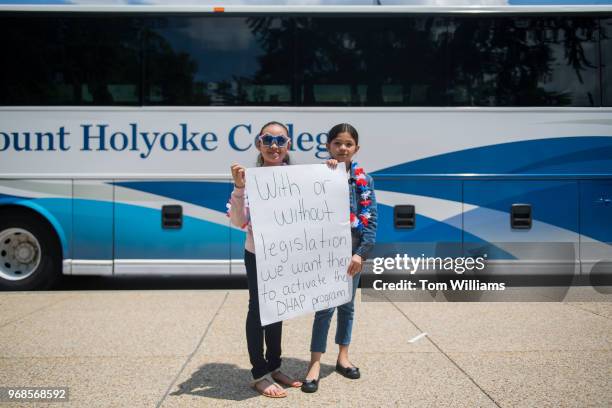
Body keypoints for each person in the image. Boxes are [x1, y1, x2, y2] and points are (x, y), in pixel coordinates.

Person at [301, 123, 377, 393]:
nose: (343, 148)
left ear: (356, 148)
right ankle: (314, 363)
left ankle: (343, 356)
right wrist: (326, 174)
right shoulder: (320, 175)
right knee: (324, 309)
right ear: (328, 147)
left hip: (353, 254)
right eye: (337, 143)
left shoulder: (364, 180)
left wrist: (361, 254)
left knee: (347, 307)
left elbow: (371, 221)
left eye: (348, 144)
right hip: (327, 252)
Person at [228, 121, 302, 398]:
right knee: (258, 310)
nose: (274, 145)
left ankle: (274, 365)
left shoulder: (300, 177)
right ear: (259, 144)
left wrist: (331, 168)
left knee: (278, 309)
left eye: (280, 140)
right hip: (258, 255)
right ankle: (260, 373)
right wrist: (239, 188)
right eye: (267, 139)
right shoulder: (250, 178)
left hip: (285, 256)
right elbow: (238, 221)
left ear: (288, 145)